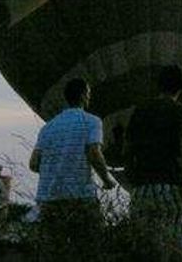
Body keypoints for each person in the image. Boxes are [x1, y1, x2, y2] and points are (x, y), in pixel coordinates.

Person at [28, 77, 117, 261]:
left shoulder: (48, 128)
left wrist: (55, 168)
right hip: (80, 197)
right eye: (88, 94)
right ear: (84, 96)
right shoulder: (92, 121)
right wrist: (107, 180)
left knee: (53, 253)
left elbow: (34, 164)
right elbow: (94, 153)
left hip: (49, 199)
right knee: (89, 249)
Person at [124, 63, 182, 261]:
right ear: (181, 87)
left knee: (141, 248)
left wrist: (133, 181)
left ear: (158, 84)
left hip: (141, 190)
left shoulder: (139, 111)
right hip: (169, 187)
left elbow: (127, 151)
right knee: (169, 247)